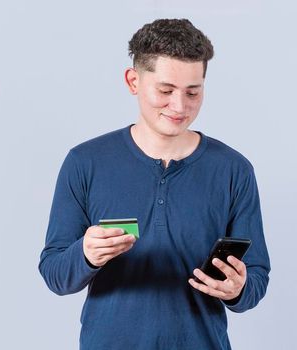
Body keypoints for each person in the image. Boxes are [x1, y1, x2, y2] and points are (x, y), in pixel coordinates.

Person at [39, 18, 270, 349]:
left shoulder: (234, 170)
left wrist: (239, 289)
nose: (179, 106)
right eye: (165, 90)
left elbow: (256, 278)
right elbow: (55, 273)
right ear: (133, 81)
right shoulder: (85, 162)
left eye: (193, 92)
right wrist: (85, 254)